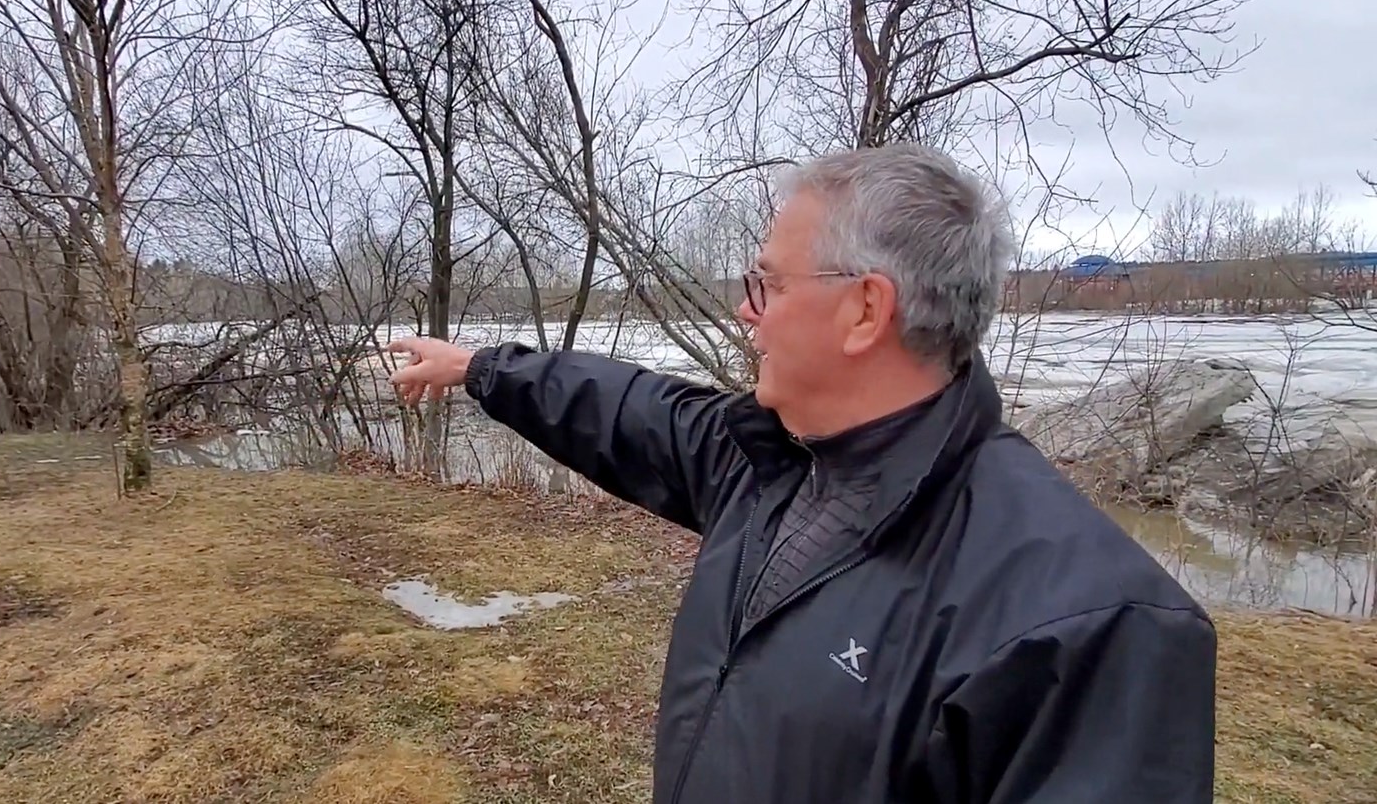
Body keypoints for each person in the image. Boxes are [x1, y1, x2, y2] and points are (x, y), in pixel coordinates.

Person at [388, 144, 1217, 804]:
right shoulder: (769, 461)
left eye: (768, 282)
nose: (748, 308)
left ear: (865, 310)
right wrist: (481, 368)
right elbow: (631, 408)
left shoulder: (1090, 627)